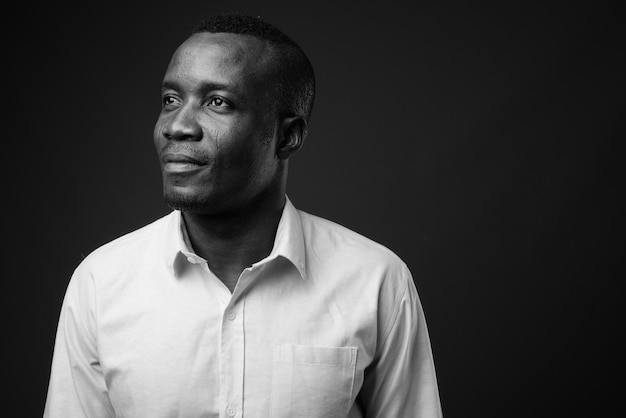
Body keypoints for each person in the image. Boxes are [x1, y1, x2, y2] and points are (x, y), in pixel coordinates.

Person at [44, 13, 442, 418]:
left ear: (287, 136)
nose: (177, 126)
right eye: (170, 100)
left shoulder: (376, 280)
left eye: (218, 102)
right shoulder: (101, 282)